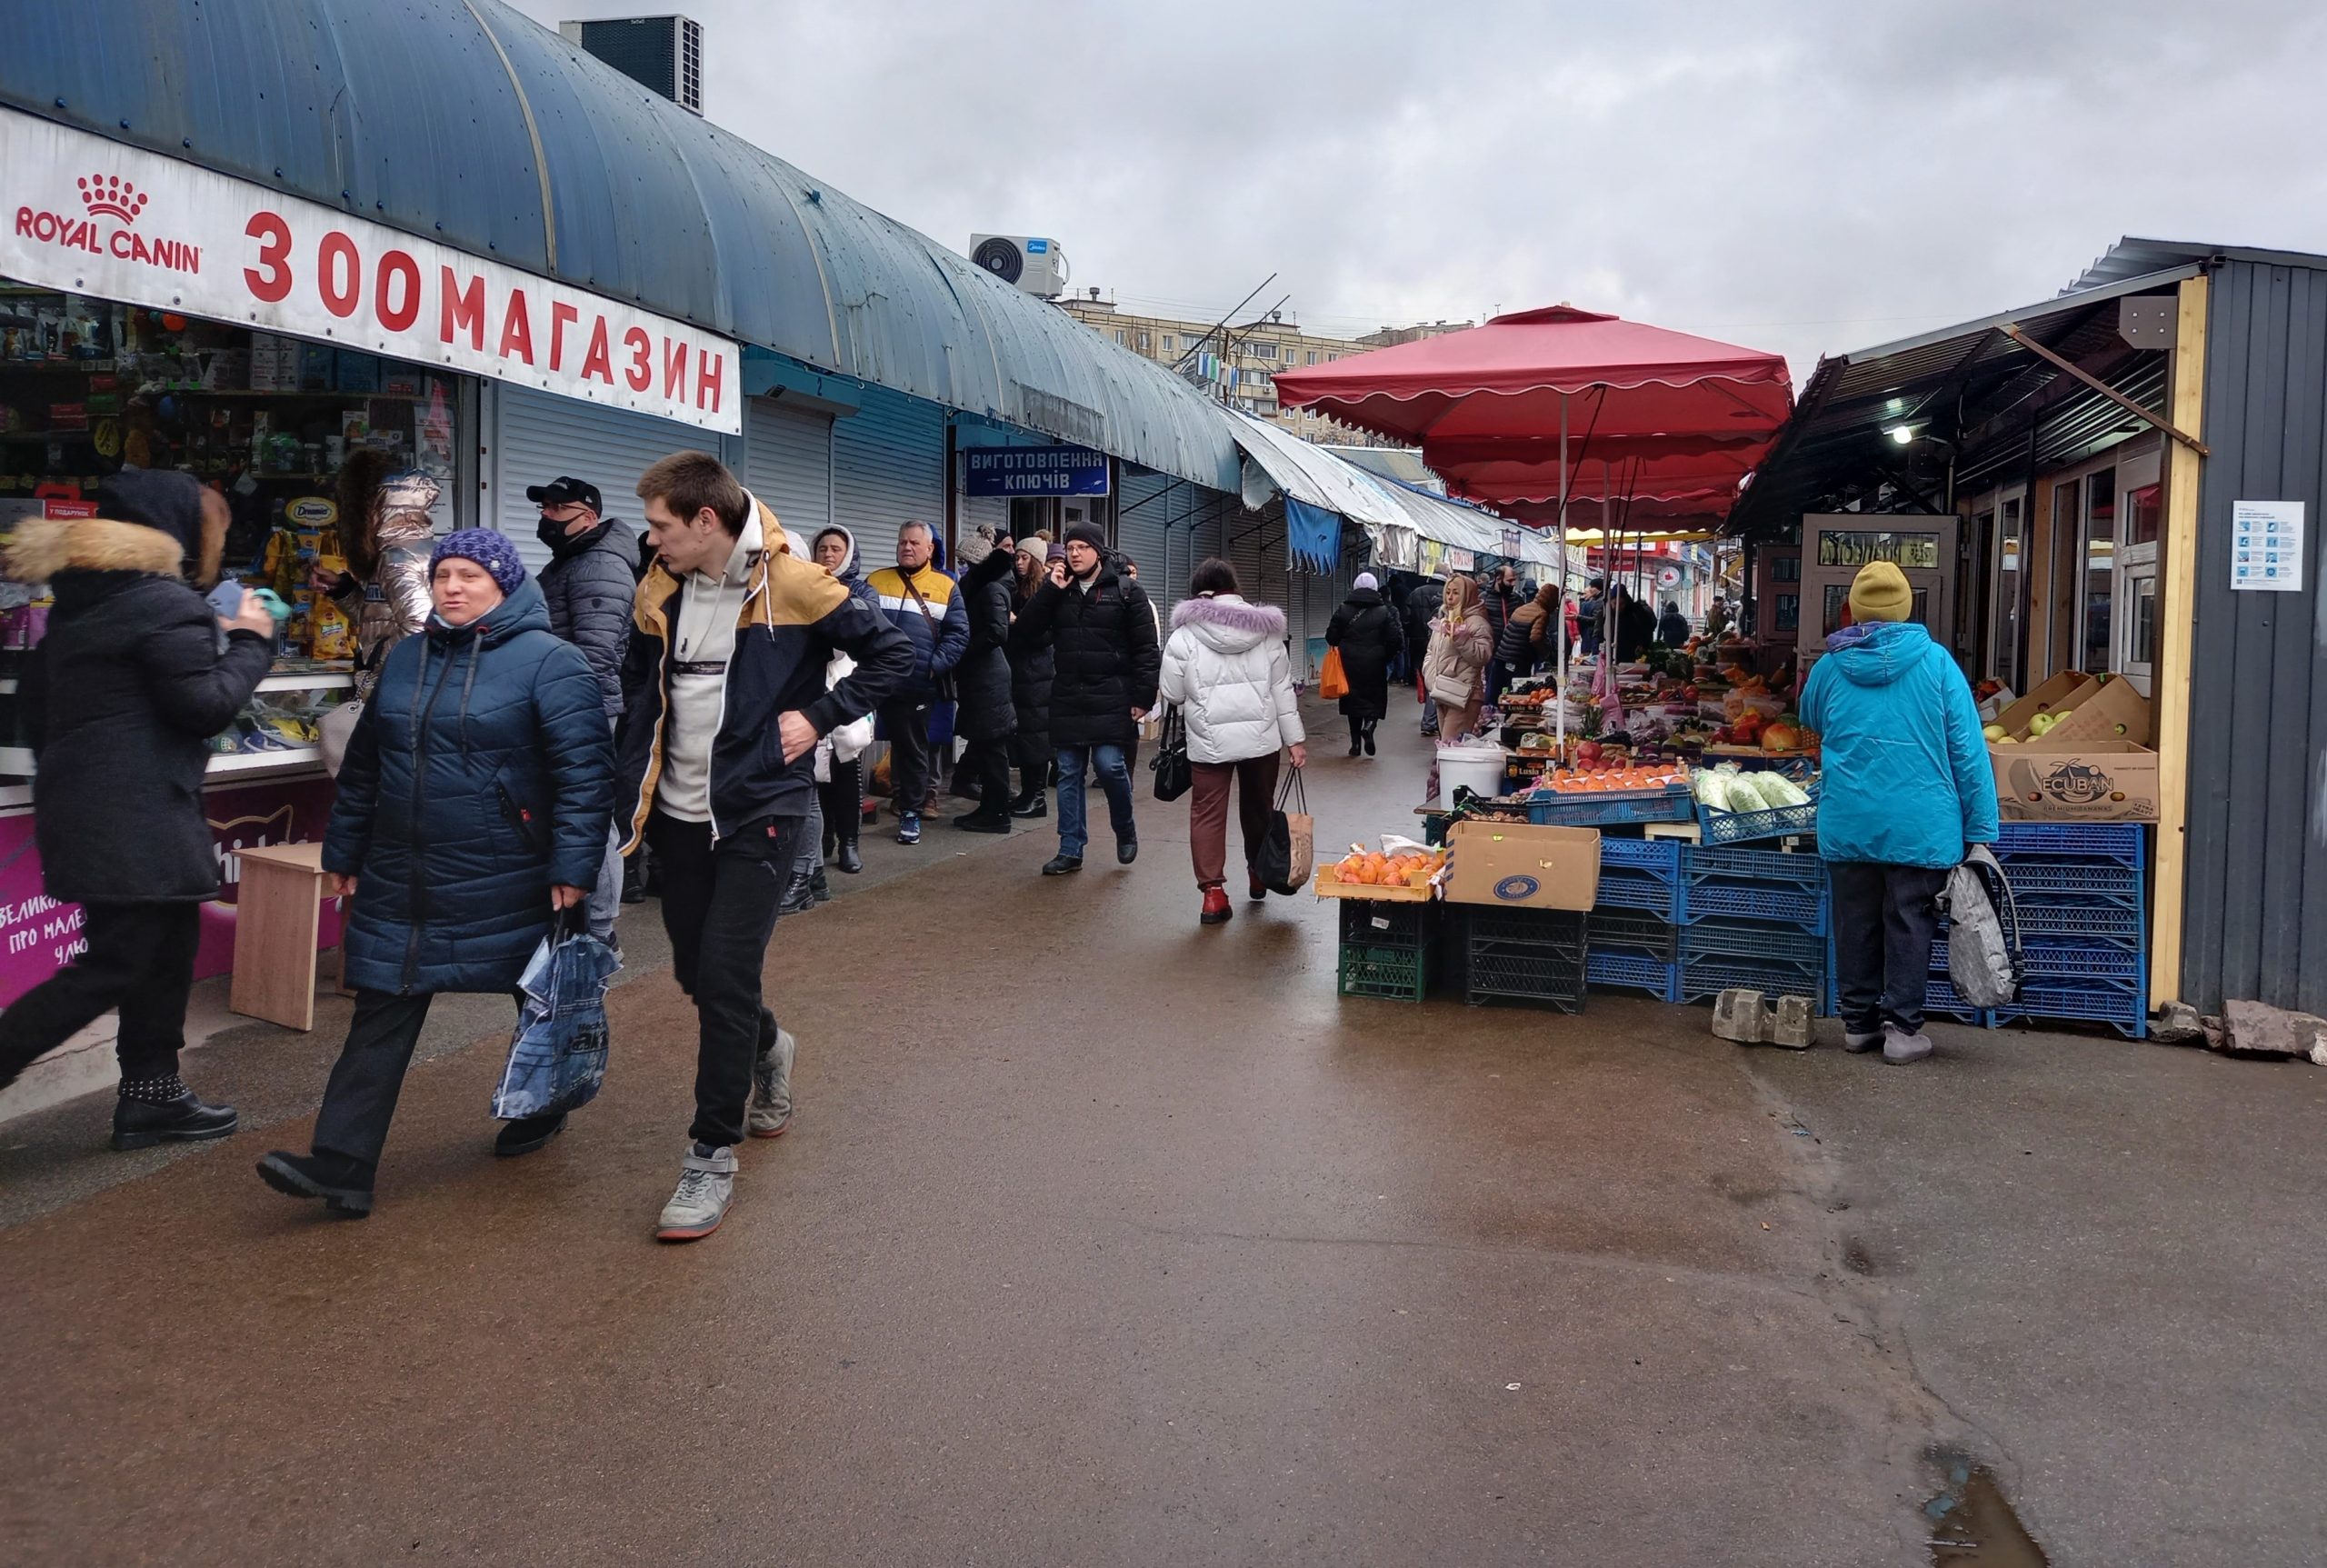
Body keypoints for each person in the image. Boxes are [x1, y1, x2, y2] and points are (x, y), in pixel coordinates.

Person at [255, 530, 614, 1216]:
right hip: (402, 869)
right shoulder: (409, 656)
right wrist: (345, 852)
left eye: (470, 575)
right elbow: (365, 767)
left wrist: (573, 864)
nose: (452, 586)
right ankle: (342, 1166)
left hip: (508, 866)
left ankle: (545, 1104)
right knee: (382, 1004)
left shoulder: (552, 662)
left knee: (539, 996)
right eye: (444, 573)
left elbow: (584, 774)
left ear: (504, 585)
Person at [612, 453, 910, 1240]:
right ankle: (770, 1044)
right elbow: (641, 697)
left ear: (705, 520)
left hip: (761, 809)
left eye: (661, 526)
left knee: (724, 970)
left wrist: (819, 714)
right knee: (695, 972)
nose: (652, 541)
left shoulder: (798, 583)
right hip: (677, 815)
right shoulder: (660, 586)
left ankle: (711, 1152)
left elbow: (896, 654)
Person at [0, 470, 275, 1145]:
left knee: (166, 950)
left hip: (104, 812)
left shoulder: (80, 601)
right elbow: (204, 705)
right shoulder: (162, 603)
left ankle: (153, 1095)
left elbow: (37, 708)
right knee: (118, 962)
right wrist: (251, 642)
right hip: (138, 816)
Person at [1800, 561, 1999, 1067]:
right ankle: (1903, 1031)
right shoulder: (1937, 665)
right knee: (1910, 922)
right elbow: (1968, 753)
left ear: (1858, 608)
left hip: (1849, 819)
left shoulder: (1829, 667)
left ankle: (1857, 1025)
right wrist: (1981, 828)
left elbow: (1811, 720)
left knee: (1855, 922)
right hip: (1922, 824)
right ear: (1907, 607)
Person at [1157, 558, 1308, 925]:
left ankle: (1212, 894)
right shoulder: (1268, 633)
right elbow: (1281, 690)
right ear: (1235, 589)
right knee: (1258, 807)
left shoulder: (1184, 636)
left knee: (1207, 813)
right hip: (1262, 741)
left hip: (1208, 742)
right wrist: (1296, 741)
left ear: (1199, 593)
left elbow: (1172, 694)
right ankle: (1258, 872)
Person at [1014, 522, 1160, 876]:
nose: (1074, 554)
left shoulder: (1126, 592)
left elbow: (1147, 650)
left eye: (1082, 547)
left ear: (1098, 551)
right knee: (1068, 772)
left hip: (1112, 695)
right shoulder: (1058, 591)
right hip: (1067, 696)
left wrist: (1143, 697)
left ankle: (1124, 829)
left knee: (1110, 766)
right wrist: (1050, 590)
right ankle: (1070, 848)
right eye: (1070, 548)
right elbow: (1024, 633)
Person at [530, 475, 638, 948]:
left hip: (583, 708)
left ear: (587, 518)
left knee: (592, 816)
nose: (545, 517)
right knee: (572, 812)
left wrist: (568, 713)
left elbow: (594, 657)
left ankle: (600, 930)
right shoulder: (570, 562)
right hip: (561, 703)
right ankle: (578, 920)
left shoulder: (600, 566)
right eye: (543, 508)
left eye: (557, 509)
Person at [865, 522, 967, 846]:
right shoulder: (876, 580)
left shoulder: (946, 586)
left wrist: (932, 667)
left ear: (929, 549)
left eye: (913, 543)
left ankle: (911, 812)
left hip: (916, 684)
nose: (906, 548)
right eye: (902, 543)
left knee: (912, 751)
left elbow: (959, 633)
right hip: (874, 681)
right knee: (848, 746)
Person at [327, 452, 436, 700]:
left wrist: (373, 667)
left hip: (398, 692)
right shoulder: (415, 549)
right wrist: (343, 590)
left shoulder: (396, 558)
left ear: (375, 509)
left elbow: (420, 627)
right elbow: (381, 619)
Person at [811, 525, 877, 874]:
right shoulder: (805, 585)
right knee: (817, 770)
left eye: (836, 549)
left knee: (846, 766)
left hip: (848, 683)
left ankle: (850, 842)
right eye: (822, 548)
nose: (828, 555)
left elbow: (863, 633)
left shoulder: (862, 590)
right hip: (811, 684)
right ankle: (823, 838)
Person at [949, 528, 1019, 834]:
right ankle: (991, 807)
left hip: (987, 677)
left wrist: (962, 648)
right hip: (982, 677)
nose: (960, 567)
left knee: (993, 749)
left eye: (963, 562)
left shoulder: (990, 589)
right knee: (987, 745)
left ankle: (996, 812)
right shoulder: (984, 586)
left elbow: (996, 632)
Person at [1324, 570, 1401, 757]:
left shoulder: (1343, 609)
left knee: (1353, 702)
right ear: (1375, 589)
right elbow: (1395, 639)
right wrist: (1386, 656)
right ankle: (1370, 725)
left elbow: (1331, 637)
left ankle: (1355, 745)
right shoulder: (1384, 611)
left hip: (1348, 661)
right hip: (1375, 661)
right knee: (1374, 699)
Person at [1004, 535, 1055, 817]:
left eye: (1025, 558)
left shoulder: (1045, 591)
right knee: (1025, 736)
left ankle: (1036, 797)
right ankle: (1027, 793)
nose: (1019, 562)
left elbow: (1045, 634)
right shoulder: (1018, 588)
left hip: (1038, 675)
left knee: (1036, 737)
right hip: (1023, 672)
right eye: (1017, 557)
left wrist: (1017, 622)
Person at [1421, 574, 1494, 740]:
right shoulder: (1445, 619)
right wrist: (1429, 675)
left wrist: (1461, 638)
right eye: (1448, 592)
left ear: (1466, 595)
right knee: (1447, 747)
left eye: (1455, 593)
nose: (1450, 597)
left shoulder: (1477, 622)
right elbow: (1432, 651)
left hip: (1464, 695)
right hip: (1441, 690)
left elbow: (1483, 656)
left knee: (1450, 746)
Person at [1493, 580, 1560, 690]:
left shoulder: (1522, 608)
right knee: (1517, 691)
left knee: (1502, 691)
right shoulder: (1542, 613)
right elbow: (1536, 638)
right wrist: (1547, 654)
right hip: (1520, 659)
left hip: (1502, 656)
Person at [1404, 577, 1443, 735]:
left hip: (1417, 642)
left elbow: (1406, 618)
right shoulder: (1448, 593)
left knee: (1425, 675)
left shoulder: (1415, 593)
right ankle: (1431, 720)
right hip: (1437, 643)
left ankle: (1430, 718)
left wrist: (1411, 635)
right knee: (1437, 680)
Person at [1478, 564, 1521, 707]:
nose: (1513, 584)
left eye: (1514, 580)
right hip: (1493, 651)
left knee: (1512, 688)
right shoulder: (1484, 599)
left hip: (1513, 652)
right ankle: (1492, 716)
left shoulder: (1517, 599)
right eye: (1509, 581)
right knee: (1493, 689)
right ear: (1498, 579)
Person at [1577, 578, 1607, 658]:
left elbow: (1596, 620)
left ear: (1597, 588)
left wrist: (1578, 617)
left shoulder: (1600, 601)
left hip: (1595, 635)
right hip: (1593, 635)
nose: (1590, 589)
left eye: (1592, 587)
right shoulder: (1598, 600)